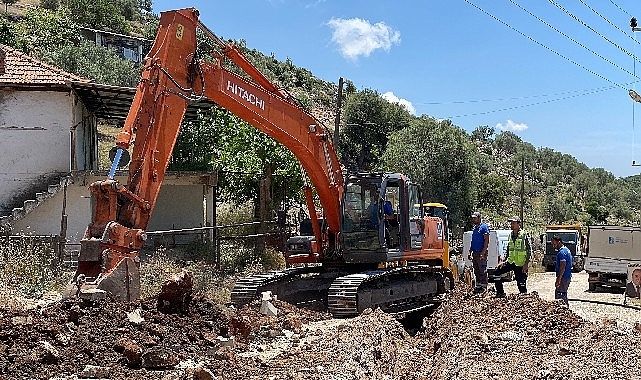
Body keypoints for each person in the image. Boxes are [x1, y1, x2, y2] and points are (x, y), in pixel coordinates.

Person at [493, 216, 532, 298]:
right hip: (511, 262)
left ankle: (524, 299)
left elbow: (529, 251)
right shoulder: (510, 234)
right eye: (511, 223)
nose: (512, 224)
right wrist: (502, 261)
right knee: (496, 272)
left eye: (513, 223)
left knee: (521, 284)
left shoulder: (524, 235)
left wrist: (526, 264)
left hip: (520, 264)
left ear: (519, 224)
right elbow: (508, 249)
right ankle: (500, 293)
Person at [468, 211, 489, 293]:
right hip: (475, 252)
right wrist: (470, 252)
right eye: (473, 218)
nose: (473, 219)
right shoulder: (475, 228)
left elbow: (486, 240)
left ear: (479, 218)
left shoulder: (484, 227)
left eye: (475, 218)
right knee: (476, 269)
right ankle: (478, 285)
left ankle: (484, 286)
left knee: (482, 269)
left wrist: (483, 253)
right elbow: (473, 241)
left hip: (481, 252)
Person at [552, 234, 572, 306]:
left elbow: (562, 266)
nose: (553, 245)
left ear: (559, 242)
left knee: (560, 296)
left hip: (563, 277)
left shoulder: (561, 253)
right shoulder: (567, 250)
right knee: (563, 294)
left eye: (554, 243)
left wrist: (558, 279)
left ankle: (563, 313)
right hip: (566, 277)